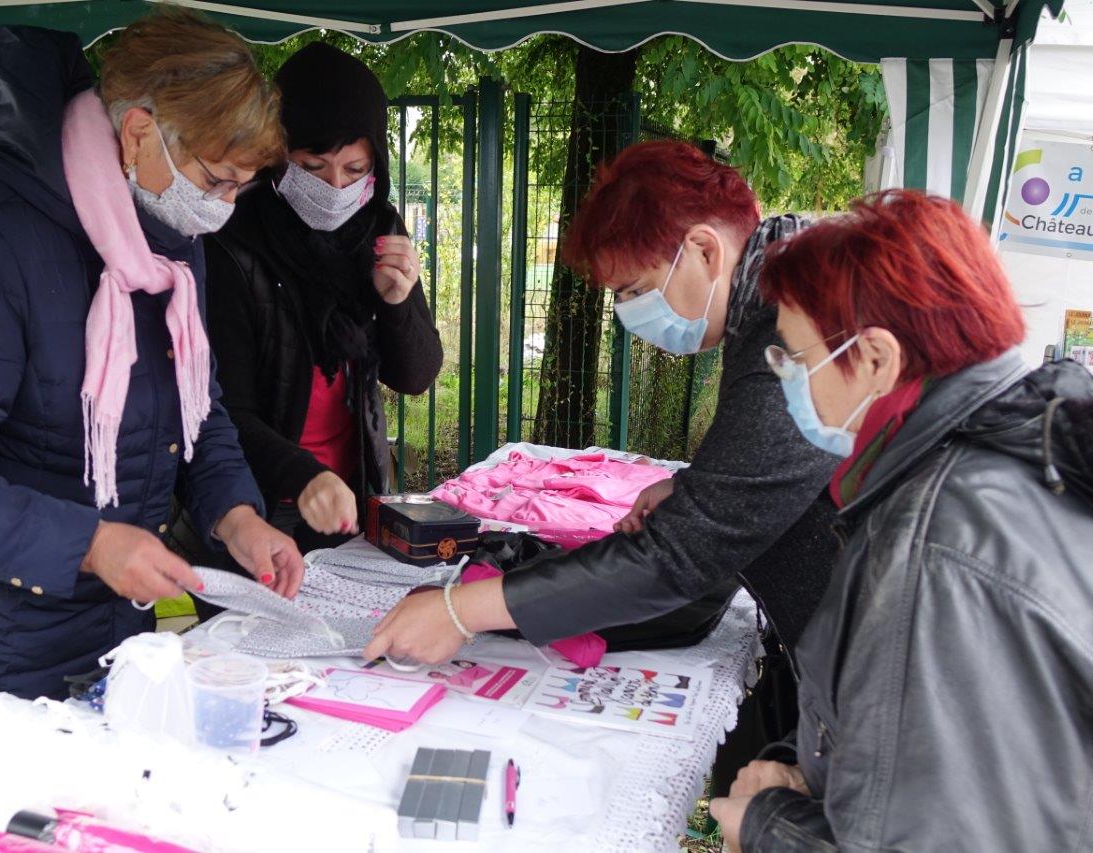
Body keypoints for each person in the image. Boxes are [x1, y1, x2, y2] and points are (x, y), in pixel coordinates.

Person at [0, 10, 303, 701]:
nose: (225, 207)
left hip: (106, 629)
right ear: (138, 132)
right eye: (216, 180)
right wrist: (91, 544)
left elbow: (196, 408)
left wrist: (235, 515)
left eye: (240, 187)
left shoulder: (167, 237)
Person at [365, 139, 842, 791]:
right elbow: (777, 464)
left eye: (638, 289)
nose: (630, 314)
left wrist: (461, 609)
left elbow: (676, 558)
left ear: (705, 250)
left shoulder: (794, 327)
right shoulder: (776, 285)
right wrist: (693, 486)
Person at [709, 190, 1093, 852]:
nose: (791, 384)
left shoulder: (940, 544)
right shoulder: (1010, 462)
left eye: (797, 361)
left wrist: (766, 823)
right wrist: (809, 769)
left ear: (878, 360)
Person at [187, 41, 442, 557]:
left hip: (349, 494)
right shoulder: (232, 244)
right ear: (278, 156)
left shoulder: (379, 228)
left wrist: (397, 302)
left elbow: (415, 376)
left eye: (354, 170)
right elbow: (225, 410)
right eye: (313, 165)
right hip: (256, 505)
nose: (334, 188)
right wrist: (304, 475)